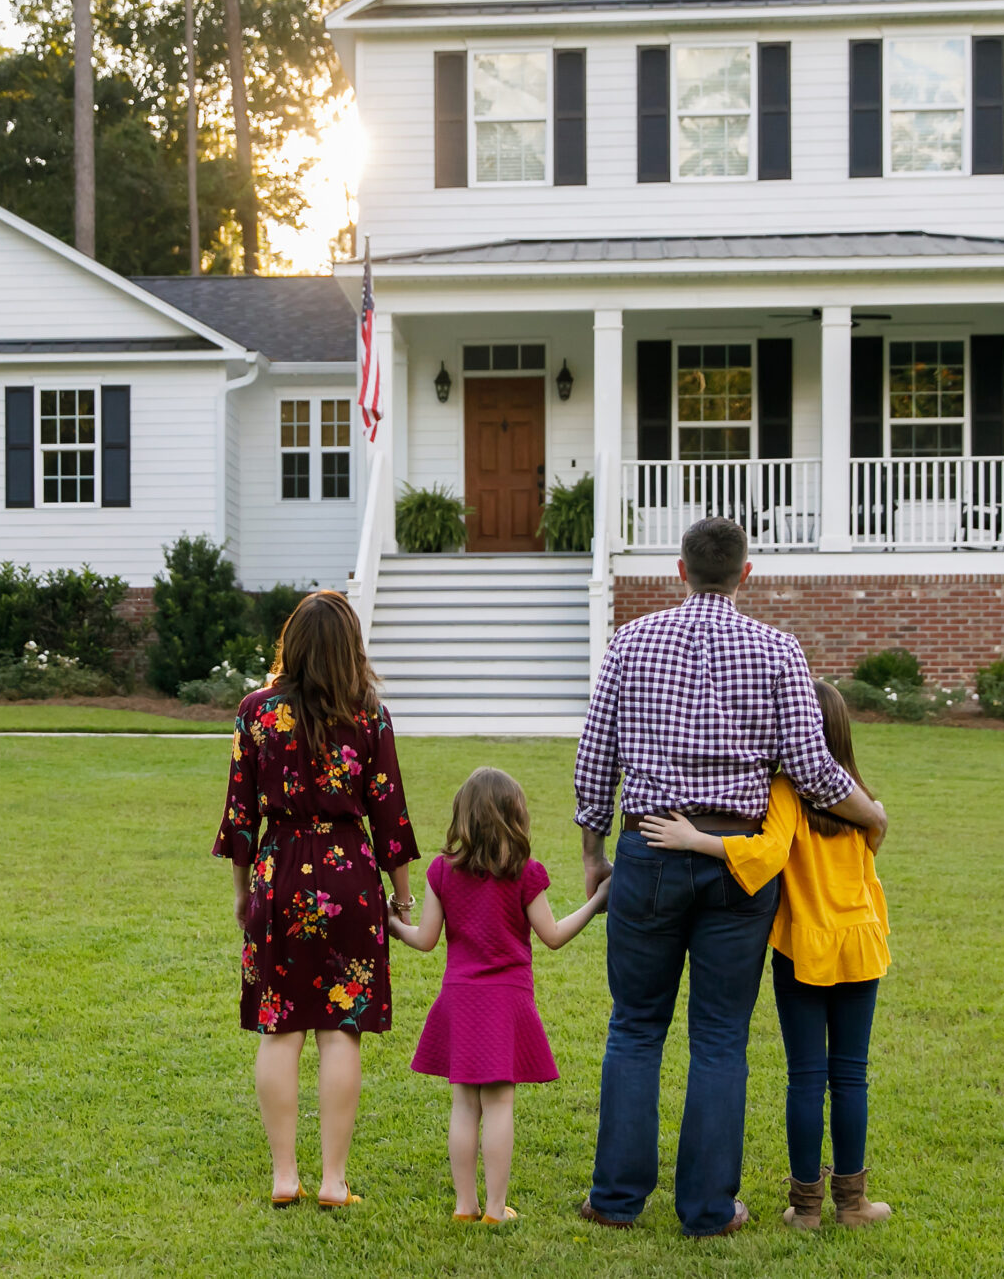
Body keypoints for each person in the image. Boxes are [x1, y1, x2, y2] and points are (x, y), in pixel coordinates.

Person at [572, 516, 889, 1238]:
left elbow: (596, 756)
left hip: (650, 848)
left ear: (678, 569)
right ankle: (710, 1209)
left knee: (634, 1026)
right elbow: (812, 769)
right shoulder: (779, 650)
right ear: (747, 574)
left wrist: (594, 852)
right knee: (719, 1036)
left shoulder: (630, 641)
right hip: (739, 863)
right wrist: (872, 812)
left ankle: (616, 1198)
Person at [639, 681, 894, 1230]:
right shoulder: (859, 797)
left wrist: (695, 840)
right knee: (851, 1076)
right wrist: (875, 816)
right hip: (860, 944)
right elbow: (872, 844)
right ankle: (853, 1205)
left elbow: (770, 853)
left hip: (803, 948)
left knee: (806, 1077)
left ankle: (806, 1209)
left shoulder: (785, 788)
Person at [212, 590, 420, 1209]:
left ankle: (284, 1177)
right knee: (340, 1029)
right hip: (350, 877)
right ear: (350, 648)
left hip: (278, 874)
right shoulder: (370, 716)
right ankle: (332, 1181)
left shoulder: (256, 713)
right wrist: (402, 899)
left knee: (279, 1030)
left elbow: (240, 819)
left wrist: (243, 896)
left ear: (292, 644)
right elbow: (391, 816)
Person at [389, 767, 611, 1226]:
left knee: (463, 1105)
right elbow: (551, 936)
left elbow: (426, 939)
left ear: (462, 817)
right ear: (516, 817)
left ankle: (463, 1206)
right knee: (499, 1105)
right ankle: (494, 1209)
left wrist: (391, 923)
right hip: (506, 1003)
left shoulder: (441, 871)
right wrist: (595, 903)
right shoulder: (524, 873)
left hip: (459, 999)